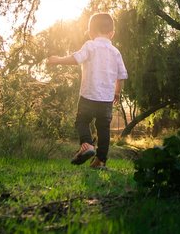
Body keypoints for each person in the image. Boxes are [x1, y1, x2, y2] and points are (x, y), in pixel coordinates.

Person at [46, 12, 128, 169]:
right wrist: (117, 92)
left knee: (82, 121)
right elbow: (121, 76)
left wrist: (57, 60)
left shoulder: (90, 46)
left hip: (88, 96)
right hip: (106, 99)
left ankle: (87, 144)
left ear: (90, 32)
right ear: (112, 33)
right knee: (104, 129)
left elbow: (75, 59)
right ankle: (100, 161)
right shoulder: (116, 52)